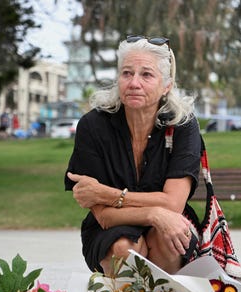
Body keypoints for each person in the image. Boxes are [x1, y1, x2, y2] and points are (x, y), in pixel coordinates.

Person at [65, 35, 201, 275]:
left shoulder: (182, 125)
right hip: (109, 231)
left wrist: (106, 193)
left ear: (166, 86)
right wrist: (154, 212)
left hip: (171, 226)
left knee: (169, 238)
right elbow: (105, 216)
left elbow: (173, 203)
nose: (134, 83)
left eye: (146, 75)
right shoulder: (93, 126)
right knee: (122, 247)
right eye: (127, 73)